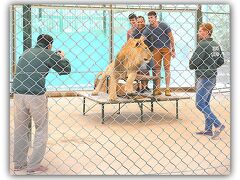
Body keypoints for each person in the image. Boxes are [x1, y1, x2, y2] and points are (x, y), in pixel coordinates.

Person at [12, 34, 71, 173]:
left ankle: (19, 164)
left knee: (21, 129)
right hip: (35, 94)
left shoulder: (26, 52)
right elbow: (65, 70)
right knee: (41, 128)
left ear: (37, 42)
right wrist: (62, 57)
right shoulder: (48, 53)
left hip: (18, 93)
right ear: (49, 45)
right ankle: (33, 166)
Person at [189, 23, 225, 139]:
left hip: (204, 77)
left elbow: (193, 63)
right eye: (199, 31)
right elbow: (221, 61)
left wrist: (199, 65)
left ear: (208, 32)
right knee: (206, 103)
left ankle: (218, 124)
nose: (199, 33)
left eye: (201, 31)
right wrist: (211, 65)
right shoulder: (215, 44)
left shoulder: (202, 44)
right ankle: (208, 130)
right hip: (212, 77)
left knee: (199, 104)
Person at [139, 11, 176, 96]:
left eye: (151, 17)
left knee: (167, 67)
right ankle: (157, 89)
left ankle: (167, 89)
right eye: (149, 18)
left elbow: (171, 37)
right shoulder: (148, 28)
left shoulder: (164, 25)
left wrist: (173, 49)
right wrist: (137, 43)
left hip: (166, 48)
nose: (150, 19)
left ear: (156, 18)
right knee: (157, 68)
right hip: (156, 49)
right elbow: (142, 38)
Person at [131, 16, 154, 93]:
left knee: (147, 69)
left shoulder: (148, 28)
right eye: (139, 22)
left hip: (150, 51)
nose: (140, 23)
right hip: (139, 54)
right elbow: (132, 41)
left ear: (144, 21)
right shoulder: (135, 31)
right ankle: (140, 86)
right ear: (136, 22)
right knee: (140, 69)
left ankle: (145, 86)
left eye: (142, 21)